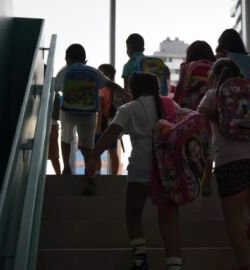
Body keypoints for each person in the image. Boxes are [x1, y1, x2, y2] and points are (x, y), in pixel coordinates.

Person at [86, 72, 183, 270]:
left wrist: (93, 157)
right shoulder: (171, 105)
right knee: (169, 220)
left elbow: (110, 134)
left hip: (141, 167)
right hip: (169, 169)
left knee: (133, 213)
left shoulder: (129, 108)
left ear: (134, 89)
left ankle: (140, 261)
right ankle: (174, 266)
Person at [198, 59, 250, 270]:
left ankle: (244, 264)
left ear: (214, 77)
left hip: (231, 158)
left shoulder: (214, 93)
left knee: (233, 216)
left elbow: (199, 117)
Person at [55, 44, 122, 175]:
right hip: (89, 113)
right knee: (88, 144)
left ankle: (66, 167)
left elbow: (55, 88)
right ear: (85, 60)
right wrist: (123, 91)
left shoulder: (64, 71)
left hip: (68, 111)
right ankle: (89, 174)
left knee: (66, 138)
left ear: (67, 59)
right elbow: (108, 83)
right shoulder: (94, 71)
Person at [173, 40, 215, 109]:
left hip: (187, 106)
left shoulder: (185, 66)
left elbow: (179, 86)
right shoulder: (214, 67)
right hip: (207, 107)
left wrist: (174, 103)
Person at [94, 64, 120, 175]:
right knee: (113, 151)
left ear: (106, 75)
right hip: (113, 122)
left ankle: (98, 174)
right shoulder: (115, 89)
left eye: (100, 73)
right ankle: (114, 176)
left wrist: (97, 128)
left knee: (96, 151)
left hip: (102, 123)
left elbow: (99, 109)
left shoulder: (102, 88)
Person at [122, 33, 145, 102]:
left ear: (129, 49)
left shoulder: (128, 65)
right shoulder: (151, 63)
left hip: (134, 102)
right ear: (143, 49)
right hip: (152, 102)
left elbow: (126, 91)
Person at [48, 92, 61, 175]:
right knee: (54, 155)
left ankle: (58, 175)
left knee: (54, 155)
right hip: (53, 125)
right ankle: (58, 175)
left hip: (52, 125)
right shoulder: (56, 93)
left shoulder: (55, 94)